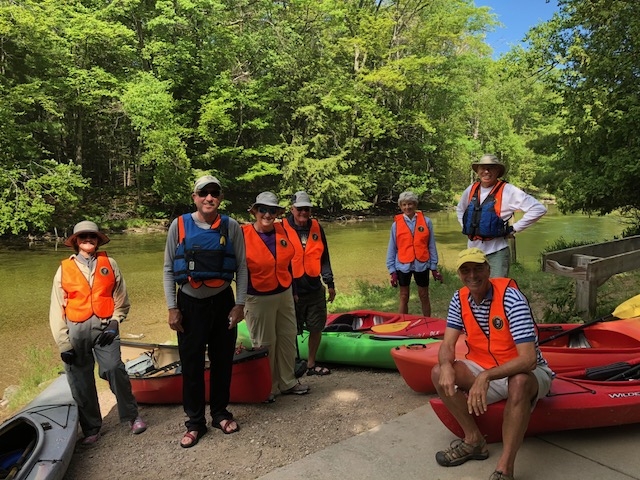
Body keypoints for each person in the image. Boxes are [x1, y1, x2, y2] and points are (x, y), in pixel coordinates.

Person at [431, 248, 554, 480]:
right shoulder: (459, 298)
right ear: (459, 274)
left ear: (488, 269)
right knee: (438, 372)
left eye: (478, 268)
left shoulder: (511, 298)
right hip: (485, 368)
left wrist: (485, 377)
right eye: (466, 270)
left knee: (518, 382)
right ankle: (474, 441)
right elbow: (447, 344)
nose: (472, 275)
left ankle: (505, 468)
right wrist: (446, 367)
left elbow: (528, 360)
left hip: (528, 372)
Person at [163, 175, 247, 448]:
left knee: (223, 361)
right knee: (192, 365)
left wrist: (240, 304)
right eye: (203, 193)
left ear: (220, 197)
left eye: (214, 192)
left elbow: (242, 267)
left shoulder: (231, 226)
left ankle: (220, 413)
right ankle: (195, 422)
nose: (209, 197)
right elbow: (168, 268)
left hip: (223, 301)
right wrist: (172, 308)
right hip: (189, 304)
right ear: (195, 197)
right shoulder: (178, 225)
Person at [49, 220, 147, 445]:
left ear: (98, 240)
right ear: (76, 241)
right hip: (75, 330)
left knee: (114, 369)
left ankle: (132, 416)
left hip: (106, 328)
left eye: (92, 236)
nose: (88, 240)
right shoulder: (64, 269)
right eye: (83, 237)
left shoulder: (109, 263)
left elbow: (121, 298)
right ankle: (91, 427)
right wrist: (64, 343)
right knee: (80, 380)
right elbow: (56, 308)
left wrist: (115, 322)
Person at [242, 192, 310, 402]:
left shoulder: (282, 230)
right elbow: (237, 270)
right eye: (263, 210)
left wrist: (294, 291)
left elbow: (288, 263)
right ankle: (267, 387)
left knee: (288, 337)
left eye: (272, 211)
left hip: (284, 293)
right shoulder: (243, 235)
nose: (267, 214)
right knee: (265, 343)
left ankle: (287, 381)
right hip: (258, 297)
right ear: (255, 211)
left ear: (278, 213)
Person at [457, 154, 547, 277]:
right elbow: (460, 209)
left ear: (498, 171)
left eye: (491, 168)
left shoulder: (508, 190)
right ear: (478, 171)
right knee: (475, 287)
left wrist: (514, 228)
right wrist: (465, 226)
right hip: (473, 252)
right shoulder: (471, 189)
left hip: (496, 252)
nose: (486, 171)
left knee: (497, 287)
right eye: (483, 168)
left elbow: (538, 209)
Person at [283, 191, 336, 376]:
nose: (303, 212)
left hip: (314, 287)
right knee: (289, 330)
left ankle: (311, 365)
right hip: (291, 290)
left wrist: (330, 283)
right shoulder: (281, 227)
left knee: (316, 327)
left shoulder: (316, 227)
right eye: (300, 209)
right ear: (292, 209)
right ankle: (291, 365)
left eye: (307, 209)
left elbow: (324, 257)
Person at [386, 191, 442, 316]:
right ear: (400, 206)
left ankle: (427, 322)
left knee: (424, 295)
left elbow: (431, 245)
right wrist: (392, 270)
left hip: (421, 264)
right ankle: (402, 323)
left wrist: (433, 266)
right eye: (404, 205)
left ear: (415, 205)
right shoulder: (396, 225)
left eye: (410, 204)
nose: (407, 207)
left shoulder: (427, 222)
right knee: (404, 296)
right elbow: (392, 247)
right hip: (402, 265)